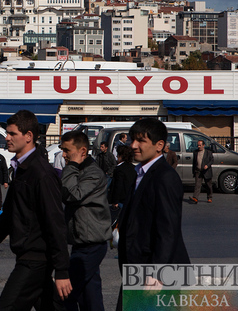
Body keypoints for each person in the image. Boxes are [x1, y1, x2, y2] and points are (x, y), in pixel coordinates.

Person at [0, 110, 72, 310]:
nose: (6, 138)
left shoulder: (41, 174)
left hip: (35, 261)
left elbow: (55, 223)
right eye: (7, 133)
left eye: (12, 133)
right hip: (30, 257)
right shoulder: (21, 169)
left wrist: (62, 270)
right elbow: (9, 216)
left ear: (28, 136)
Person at [116, 118, 190, 311]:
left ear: (159, 146)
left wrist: (158, 271)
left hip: (156, 274)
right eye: (132, 140)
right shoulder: (140, 172)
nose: (133, 146)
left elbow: (168, 229)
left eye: (141, 141)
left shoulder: (164, 177)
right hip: (138, 269)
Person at [60, 131, 111, 311]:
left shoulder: (93, 173)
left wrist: (71, 165)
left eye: (67, 151)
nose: (64, 155)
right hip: (81, 242)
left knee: (65, 293)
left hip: (92, 244)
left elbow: (74, 194)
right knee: (90, 296)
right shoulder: (79, 170)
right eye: (62, 150)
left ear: (83, 151)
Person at [108, 145, 136, 210]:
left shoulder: (119, 169)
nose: (117, 156)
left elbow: (118, 186)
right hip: (130, 199)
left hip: (120, 201)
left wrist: (115, 201)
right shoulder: (133, 168)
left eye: (118, 154)